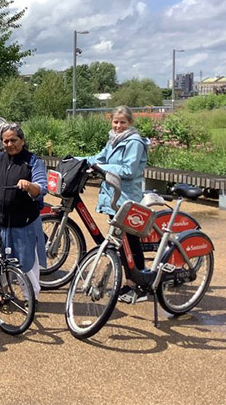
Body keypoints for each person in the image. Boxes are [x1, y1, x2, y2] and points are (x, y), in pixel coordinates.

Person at [80, 105, 149, 303]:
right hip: (114, 198)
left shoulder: (134, 142)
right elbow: (98, 158)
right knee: (121, 242)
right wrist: (79, 161)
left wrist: (100, 168)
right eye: (115, 122)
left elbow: (128, 169)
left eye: (122, 122)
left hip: (126, 198)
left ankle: (138, 284)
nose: (118, 126)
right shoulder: (113, 140)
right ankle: (130, 282)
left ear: (130, 123)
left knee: (131, 242)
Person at [0, 124, 47, 302]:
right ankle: (3, 291)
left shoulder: (33, 161)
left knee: (27, 261)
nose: (9, 144)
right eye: (5, 141)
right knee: (0, 259)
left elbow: (42, 187)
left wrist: (30, 185)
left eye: (13, 140)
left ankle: (31, 298)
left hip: (24, 221)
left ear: (22, 140)